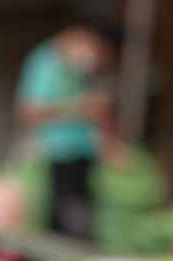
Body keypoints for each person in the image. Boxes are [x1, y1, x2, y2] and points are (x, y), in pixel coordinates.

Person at [17, 26, 114, 239]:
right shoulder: (46, 63)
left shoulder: (76, 71)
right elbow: (30, 111)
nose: (95, 61)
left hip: (82, 155)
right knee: (64, 223)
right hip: (58, 155)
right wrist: (79, 108)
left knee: (78, 220)